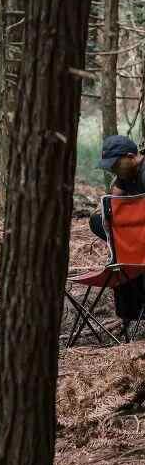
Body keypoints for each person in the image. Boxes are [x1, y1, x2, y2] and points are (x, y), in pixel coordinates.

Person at [91, 134, 145, 330]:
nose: (112, 169)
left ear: (131, 156)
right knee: (97, 222)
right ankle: (130, 313)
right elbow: (113, 204)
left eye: (115, 165)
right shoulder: (125, 175)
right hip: (135, 244)